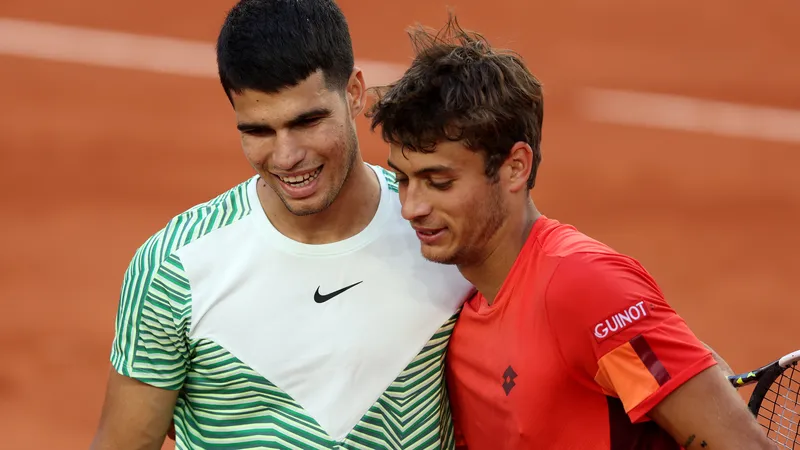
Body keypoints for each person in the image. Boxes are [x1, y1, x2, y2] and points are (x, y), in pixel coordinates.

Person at [366, 14, 776, 450]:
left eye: (440, 182)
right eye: (405, 179)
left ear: (514, 167)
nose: (412, 207)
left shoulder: (585, 289)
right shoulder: (455, 313)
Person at [89, 1, 474, 449]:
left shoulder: (440, 236)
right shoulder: (174, 271)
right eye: (258, 131)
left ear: (354, 93)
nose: (287, 157)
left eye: (306, 121)